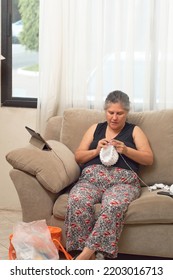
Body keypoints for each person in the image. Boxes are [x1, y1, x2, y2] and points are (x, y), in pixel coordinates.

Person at [65, 90, 153, 260]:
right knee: (77, 199)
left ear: (126, 113)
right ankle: (84, 255)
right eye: (110, 112)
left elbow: (148, 159)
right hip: (91, 179)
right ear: (105, 111)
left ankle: (86, 254)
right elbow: (78, 156)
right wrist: (96, 150)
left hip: (123, 183)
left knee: (113, 205)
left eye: (119, 113)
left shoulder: (134, 130)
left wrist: (126, 150)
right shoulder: (95, 128)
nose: (114, 117)